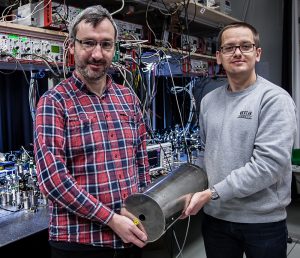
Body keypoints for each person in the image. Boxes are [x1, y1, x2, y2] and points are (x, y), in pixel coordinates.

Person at [34, 5, 150, 258]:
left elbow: (141, 161)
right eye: (88, 43)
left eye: (106, 45)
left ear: (114, 49)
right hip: (80, 244)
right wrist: (111, 219)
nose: (97, 54)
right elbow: (52, 180)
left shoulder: (127, 97)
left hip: (130, 236)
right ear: (72, 46)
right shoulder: (54, 101)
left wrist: (144, 210)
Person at [182, 22, 297, 258]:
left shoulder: (274, 99)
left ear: (257, 53)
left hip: (262, 222)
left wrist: (212, 193)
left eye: (245, 46)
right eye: (229, 47)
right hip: (217, 218)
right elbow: (206, 152)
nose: (237, 52)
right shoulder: (209, 101)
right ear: (218, 57)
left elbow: (268, 167)